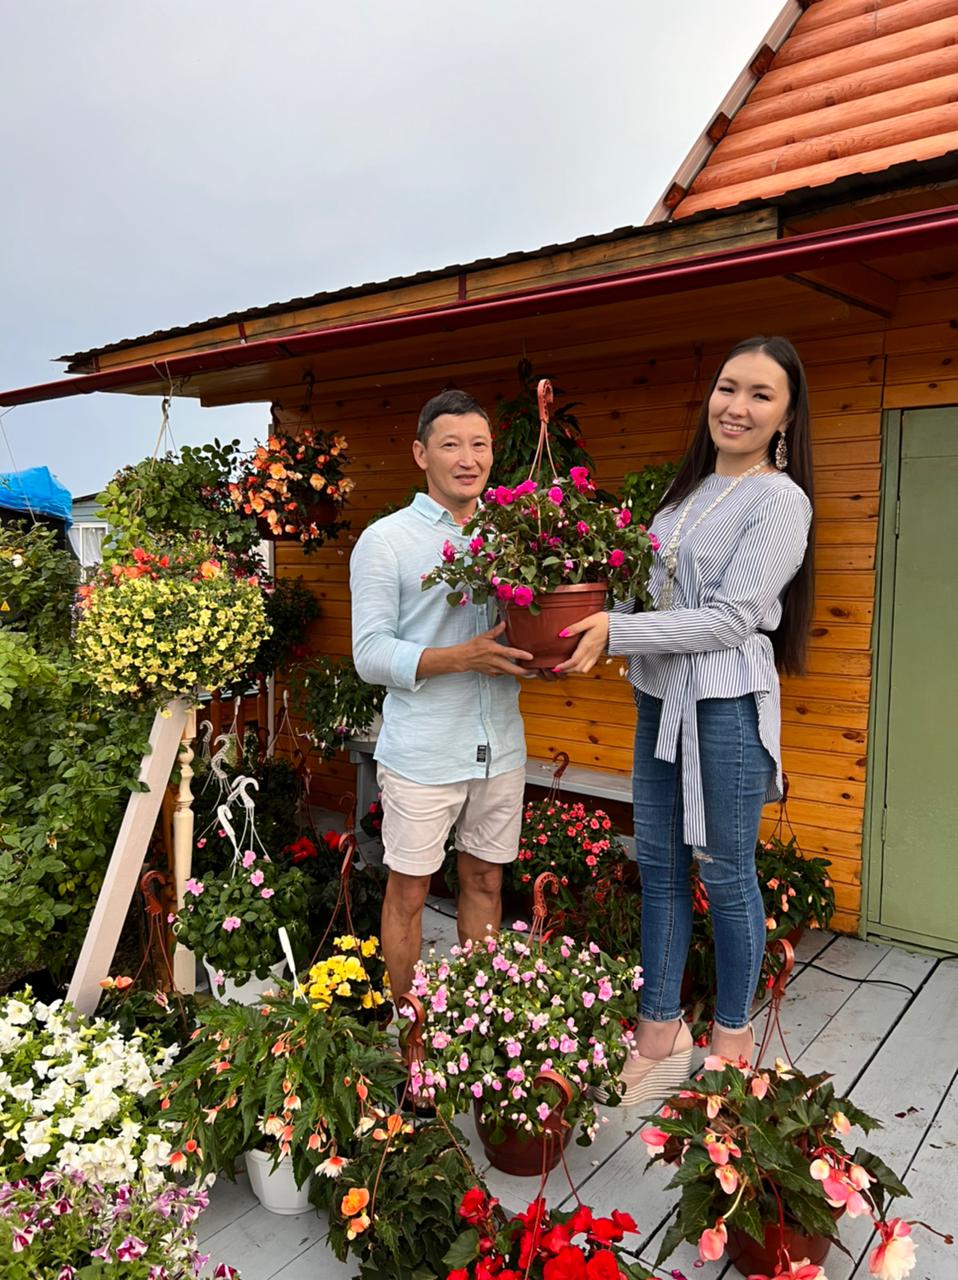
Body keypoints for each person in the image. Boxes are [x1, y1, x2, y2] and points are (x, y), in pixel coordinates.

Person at [555, 335, 815, 1101]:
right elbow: (640, 593)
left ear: (786, 417)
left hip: (725, 704)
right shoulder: (684, 496)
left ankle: (733, 1041)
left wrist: (618, 632)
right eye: (728, 387)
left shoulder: (780, 500)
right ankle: (659, 1030)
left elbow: (732, 619)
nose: (737, 406)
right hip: (660, 701)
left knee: (727, 872)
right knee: (661, 866)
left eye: (761, 395)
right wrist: (580, 622)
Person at [350, 388, 533, 1009]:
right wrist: (462, 658)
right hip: (424, 752)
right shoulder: (387, 541)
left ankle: (475, 1023)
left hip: (500, 747)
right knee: (408, 891)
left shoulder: (511, 536)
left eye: (479, 445)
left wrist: (544, 660)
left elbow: (519, 632)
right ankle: (414, 1035)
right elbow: (370, 654)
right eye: (451, 444)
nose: (467, 458)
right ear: (420, 454)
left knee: (484, 880)